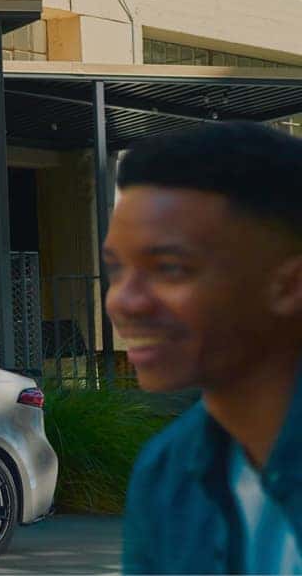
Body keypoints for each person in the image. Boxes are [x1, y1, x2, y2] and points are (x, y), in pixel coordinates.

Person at [111, 121, 302, 574]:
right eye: (116, 267)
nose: (123, 300)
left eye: (170, 268)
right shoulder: (166, 472)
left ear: (290, 285)